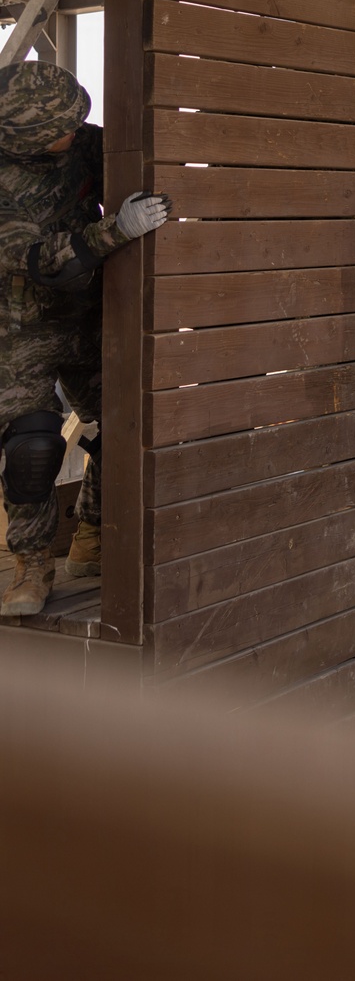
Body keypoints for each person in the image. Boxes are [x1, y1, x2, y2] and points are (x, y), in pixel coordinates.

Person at [0, 61, 171, 617]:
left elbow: (139, 156)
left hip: (93, 312)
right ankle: (31, 567)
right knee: (33, 446)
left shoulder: (77, 142)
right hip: (19, 325)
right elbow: (44, 259)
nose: (76, 133)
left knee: (121, 426)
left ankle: (93, 536)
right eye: (63, 127)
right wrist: (117, 229)